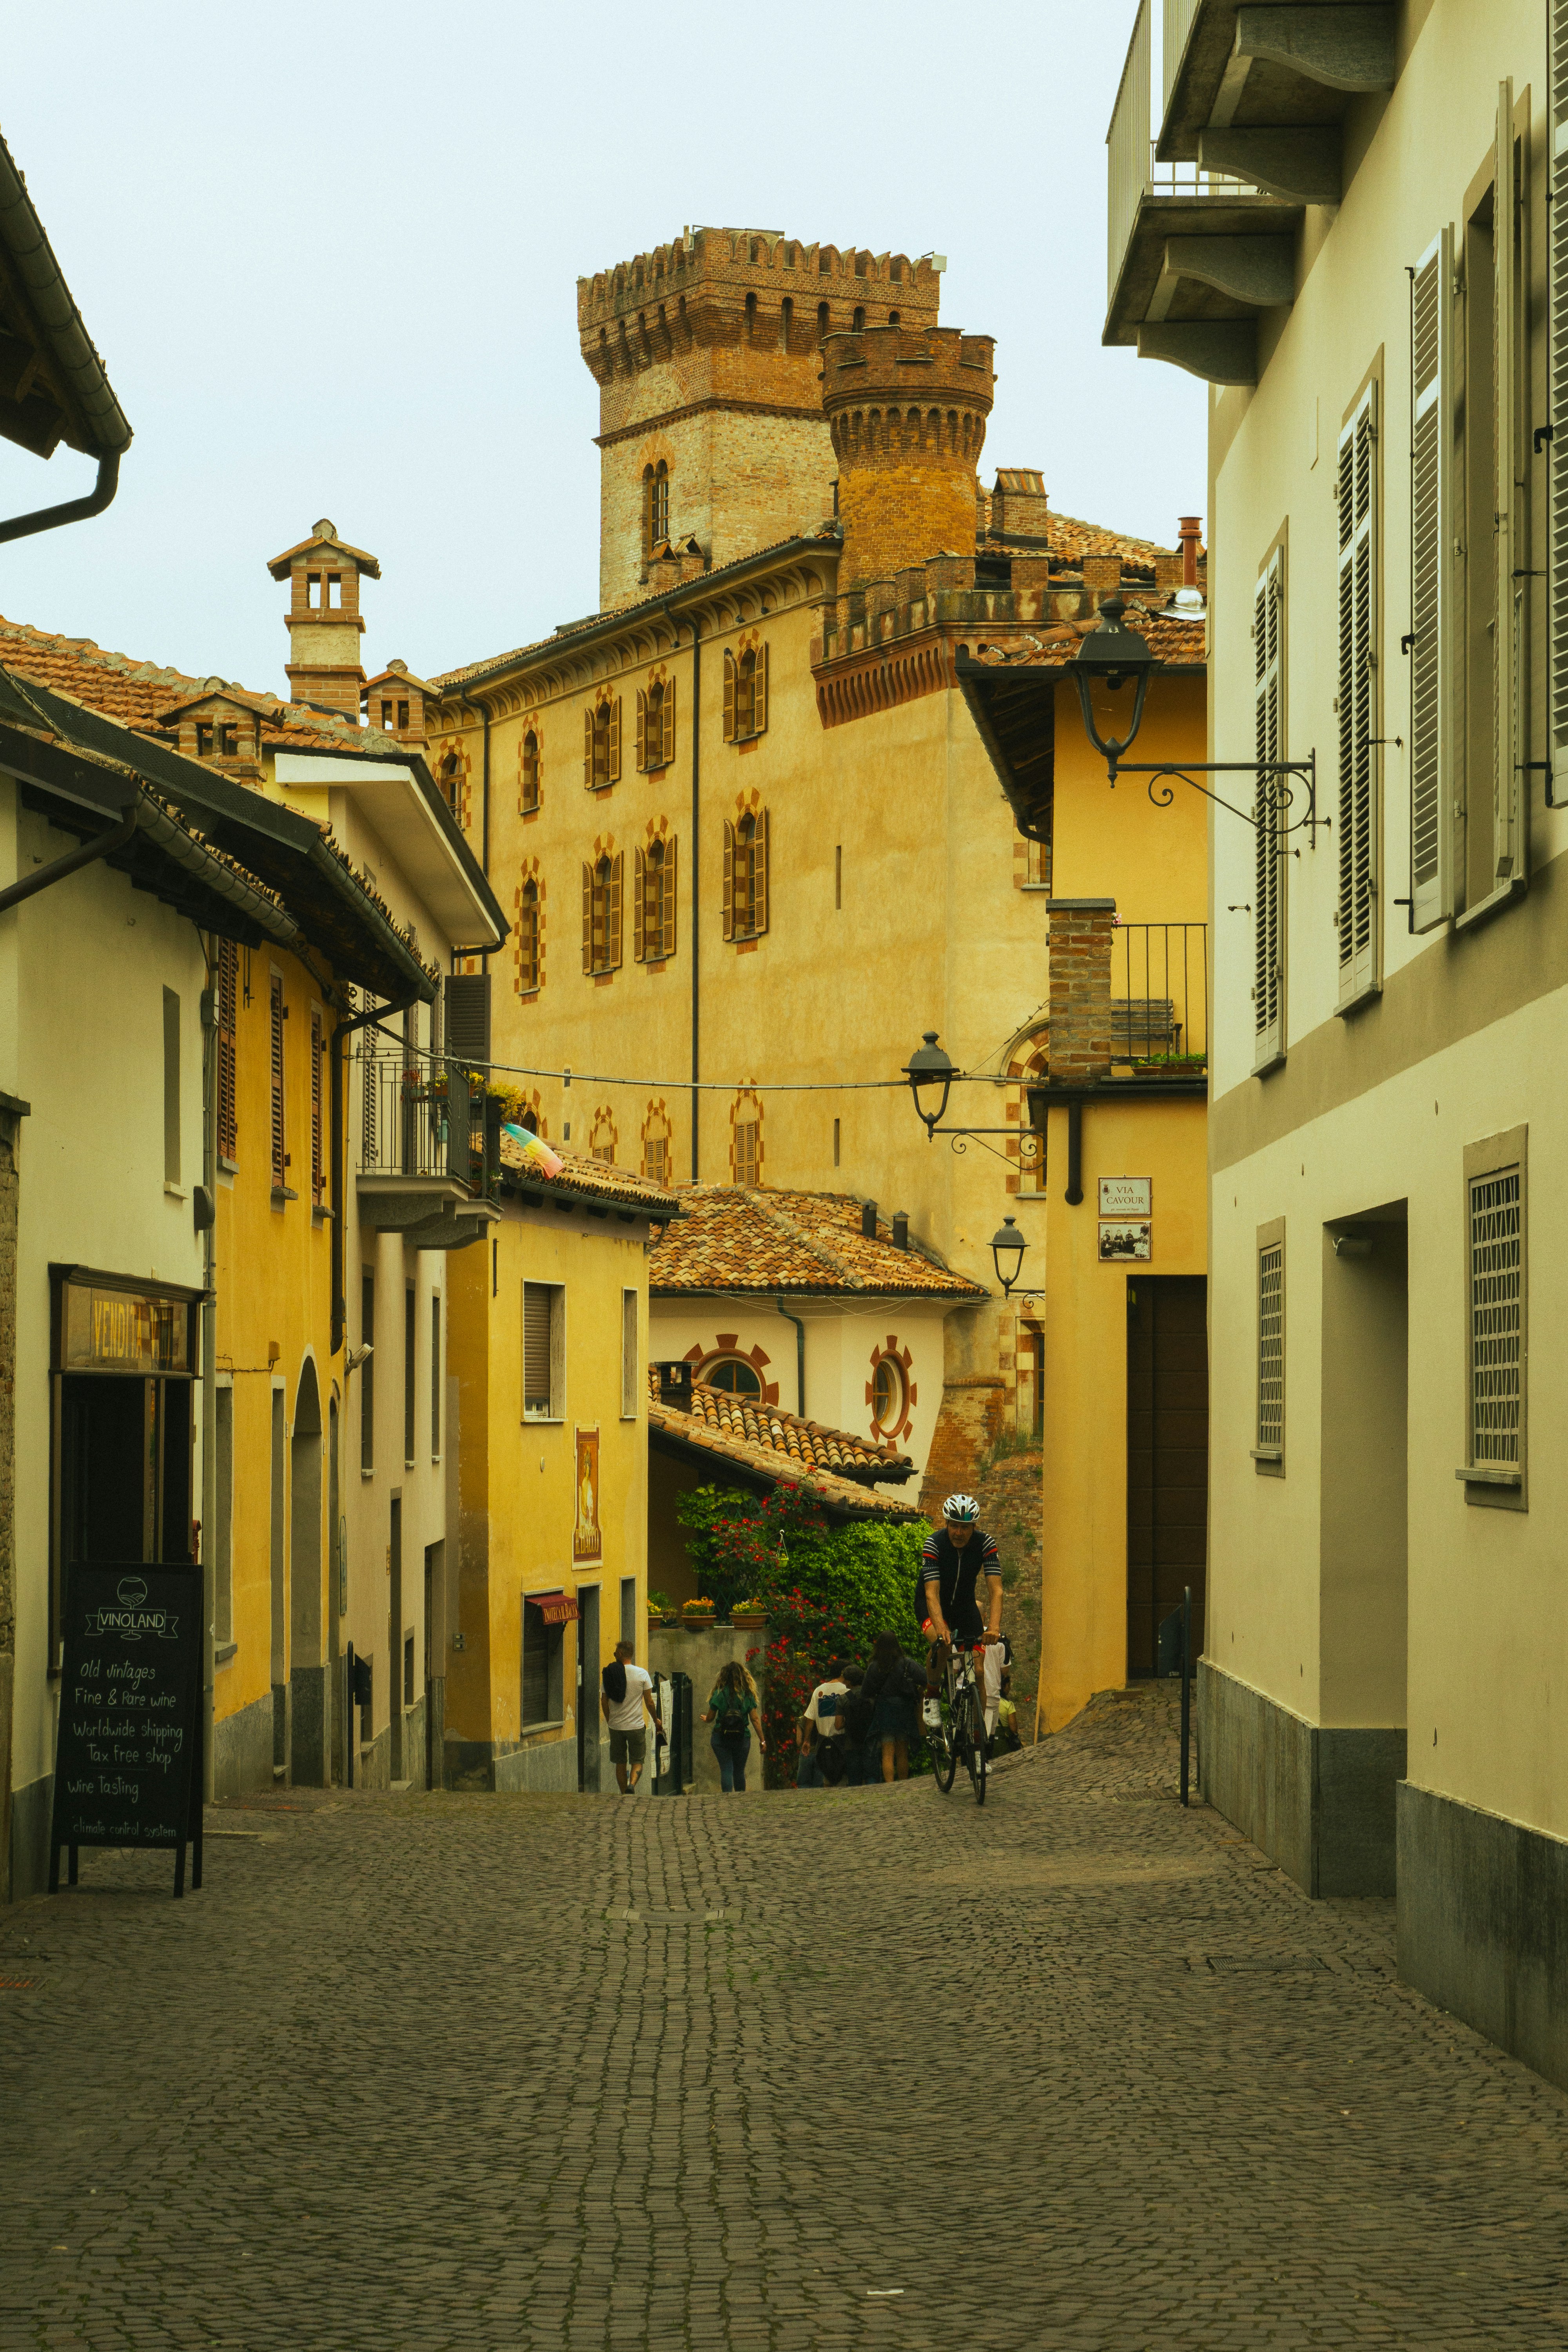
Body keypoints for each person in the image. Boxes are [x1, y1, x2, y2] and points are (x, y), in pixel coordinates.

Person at [861, 1629, 925, 1783]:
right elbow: (926, 1678)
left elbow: (865, 1692)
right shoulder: (906, 1663)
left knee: (887, 1751)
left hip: (885, 1711)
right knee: (902, 1751)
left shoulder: (874, 1667)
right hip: (904, 1709)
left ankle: (890, 1786)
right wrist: (919, 1691)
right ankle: (903, 1783)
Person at [601, 1641, 662, 1796]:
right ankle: (632, 1785)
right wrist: (656, 1720)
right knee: (638, 1760)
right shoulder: (642, 1674)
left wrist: (610, 1721)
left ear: (620, 1655)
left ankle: (624, 1794)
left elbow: (604, 1700)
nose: (614, 1656)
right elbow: (649, 1702)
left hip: (616, 1727)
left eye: (616, 1654)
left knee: (620, 1762)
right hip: (636, 1726)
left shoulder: (610, 1674)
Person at [702, 1658, 763, 1793]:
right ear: (743, 1677)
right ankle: (740, 1799)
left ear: (724, 1677)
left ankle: (727, 1799)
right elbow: (755, 1719)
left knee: (726, 1769)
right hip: (742, 1738)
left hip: (721, 1737)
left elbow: (711, 1718)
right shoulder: (747, 1694)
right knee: (739, 1770)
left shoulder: (719, 1694)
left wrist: (707, 1720)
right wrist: (762, 1740)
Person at [797, 1664, 849, 1788]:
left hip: (823, 1742)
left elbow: (809, 1718)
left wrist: (807, 1740)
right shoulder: (847, 1690)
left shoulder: (818, 1691)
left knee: (827, 1779)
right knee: (843, 1778)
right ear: (843, 1673)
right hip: (842, 1741)